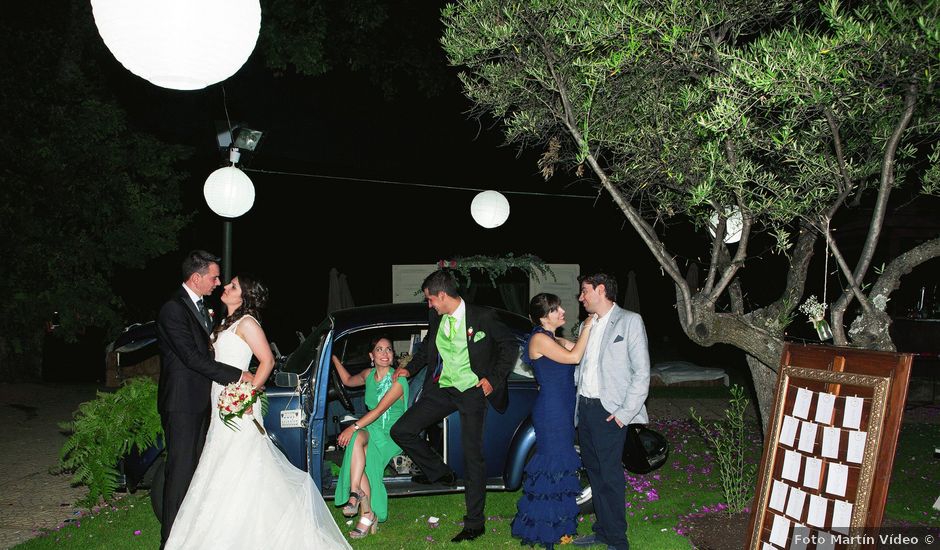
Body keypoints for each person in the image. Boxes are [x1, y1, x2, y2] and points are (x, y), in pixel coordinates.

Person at [165, 274, 351, 549]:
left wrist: (248, 393)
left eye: (234, 286)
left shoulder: (247, 323)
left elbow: (267, 360)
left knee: (241, 464)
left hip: (237, 405)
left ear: (245, 296)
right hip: (220, 402)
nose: (226, 286)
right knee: (218, 463)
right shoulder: (223, 323)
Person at [390, 269, 517, 543]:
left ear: (443, 295)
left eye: (430, 300)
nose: (429, 305)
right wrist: (409, 370)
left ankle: (475, 524)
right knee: (402, 430)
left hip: (472, 391)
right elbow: (427, 348)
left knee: (473, 457)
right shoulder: (436, 317)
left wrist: (492, 380)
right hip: (443, 389)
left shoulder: (483, 317)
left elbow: (509, 346)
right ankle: (441, 473)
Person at [156, 250, 250, 547]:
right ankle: (170, 541)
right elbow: (191, 357)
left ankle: (191, 536)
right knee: (181, 473)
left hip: (202, 402)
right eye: (213, 277)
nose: (218, 282)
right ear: (196, 278)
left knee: (196, 474)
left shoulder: (200, 306)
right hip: (182, 404)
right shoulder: (173, 309)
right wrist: (238, 376)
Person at [571, 273, 650, 550]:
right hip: (587, 409)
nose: (581, 298)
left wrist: (623, 413)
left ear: (601, 290)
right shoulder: (586, 325)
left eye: (584, 291)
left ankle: (618, 539)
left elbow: (642, 373)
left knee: (610, 476)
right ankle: (602, 530)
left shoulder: (630, 321)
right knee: (594, 473)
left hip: (610, 412)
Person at [512, 293, 595, 549]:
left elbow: (579, 348)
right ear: (542, 317)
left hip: (562, 408)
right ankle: (544, 527)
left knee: (560, 466)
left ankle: (558, 524)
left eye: (559, 307)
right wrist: (588, 327)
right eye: (554, 310)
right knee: (552, 466)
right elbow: (574, 357)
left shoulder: (553, 339)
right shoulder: (538, 338)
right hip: (552, 411)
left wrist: (589, 330)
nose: (561, 312)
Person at [331, 337, 409, 539]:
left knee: (359, 449)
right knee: (357, 439)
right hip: (371, 428)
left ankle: (366, 512)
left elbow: (380, 408)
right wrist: (334, 359)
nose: (385, 353)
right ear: (371, 356)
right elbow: (348, 381)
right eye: (379, 349)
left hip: (392, 434)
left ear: (393, 355)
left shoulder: (398, 380)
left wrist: (353, 426)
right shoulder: (368, 374)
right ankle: (357, 494)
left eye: (389, 349)